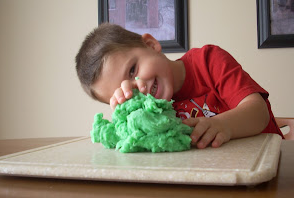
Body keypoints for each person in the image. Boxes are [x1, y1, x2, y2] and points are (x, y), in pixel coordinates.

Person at [75, 23, 284, 149]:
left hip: (272, 163)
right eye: (126, 92)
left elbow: (258, 113)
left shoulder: (209, 61)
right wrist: (129, 125)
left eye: (132, 71)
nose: (139, 87)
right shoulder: (151, 116)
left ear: (151, 45)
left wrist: (224, 126)